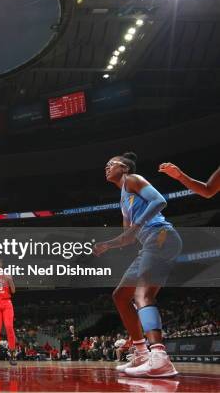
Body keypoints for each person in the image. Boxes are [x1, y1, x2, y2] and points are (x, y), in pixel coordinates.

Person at [94, 152, 182, 378]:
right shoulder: (123, 201)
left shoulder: (132, 179)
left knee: (142, 295)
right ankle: (142, 353)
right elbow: (128, 238)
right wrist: (107, 245)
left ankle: (160, 358)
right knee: (120, 296)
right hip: (148, 243)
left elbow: (160, 201)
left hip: (161, 235)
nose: (107, 167)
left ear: (124, 168)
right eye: (106, 164)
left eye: (111, 163)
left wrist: (138, 224)